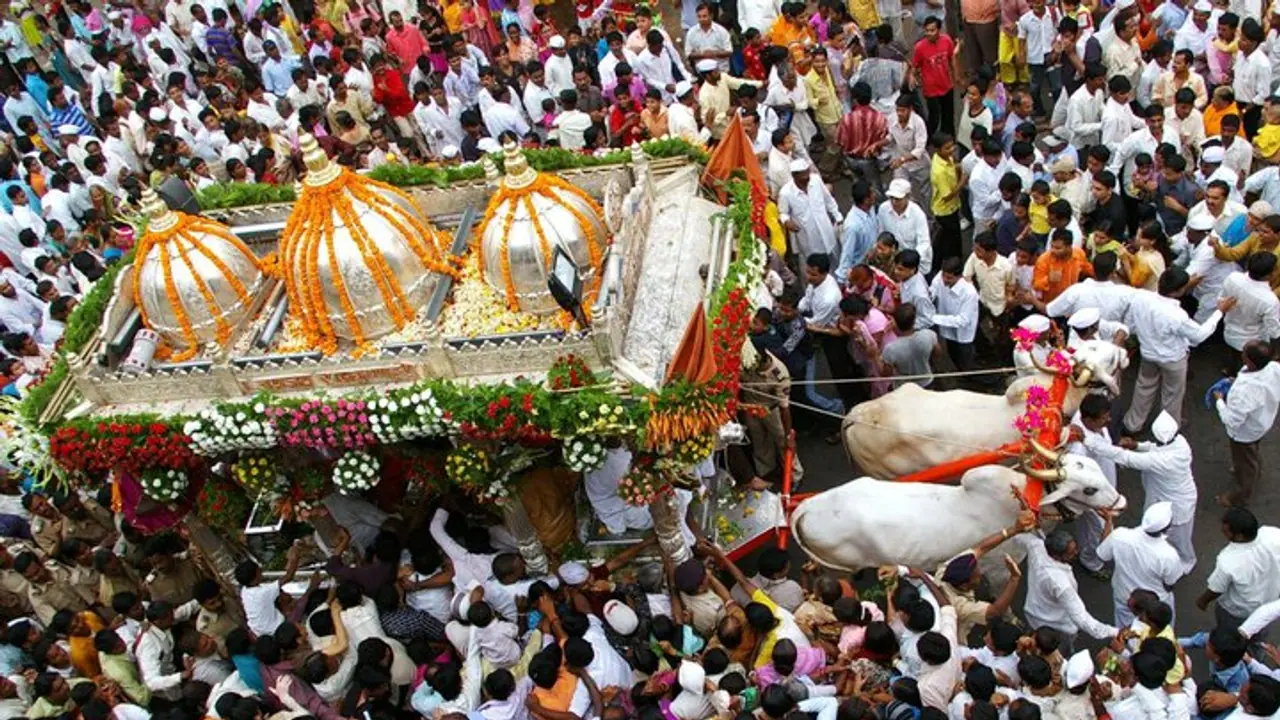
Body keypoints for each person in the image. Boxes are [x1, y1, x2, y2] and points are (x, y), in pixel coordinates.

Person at [1095, 412, 1198, 574]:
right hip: (1162, 496)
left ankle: (1185, 564)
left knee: (1179, 539)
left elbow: (1126, 458)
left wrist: (1091, 443)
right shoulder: (1178, 441)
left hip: (1178, 503)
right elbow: (1154, 447)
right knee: (1159, 533)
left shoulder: (1162, 460)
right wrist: (1137, 446)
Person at [1014, 529, 1118, 654]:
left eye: (1075, 547)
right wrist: (1114, 632)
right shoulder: (1060, 583)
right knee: (1062, 651)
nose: (1076, 552)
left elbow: (1018, 536)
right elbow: (1083, 619)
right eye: (1071, 553)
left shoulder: (1036, 546)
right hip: (1058, 627)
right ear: (1056, 556)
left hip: (1033, 614)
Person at [1197, 507, 1280, 643]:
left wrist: (1202, 601)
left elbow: (1216, 589)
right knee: (1258, 637)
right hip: (1268, 603)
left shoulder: (1228, 560)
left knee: (1230, 639)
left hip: (1238, 611)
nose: (1222, 530)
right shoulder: (1273, 534)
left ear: (1240, 536)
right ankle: (1255, 657)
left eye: (1226, 530)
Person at [1214, 341, 1280, 508]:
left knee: (1246, 463)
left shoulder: (1244, 391)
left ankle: (1239, 496)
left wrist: (1219, 401)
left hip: (1244, 433)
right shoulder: (1273, 367)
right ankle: (1250, 467)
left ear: (1249, 361)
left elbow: (1232, 420)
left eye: (1243, 352)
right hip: (1262, 422)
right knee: (1251, 452)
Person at [1096, 502, 1184, 627]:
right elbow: (1170, 584)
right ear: (1166, 528)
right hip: (1154, 605)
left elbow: (1102, 554)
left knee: (1125, 631)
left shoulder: (1120, 535)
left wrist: (1108, 522)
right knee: (1159, 633)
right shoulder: (1168, 555)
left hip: (1125, 596)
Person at [779, 159, 842, 265]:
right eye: (803, 177)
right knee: (817, 265)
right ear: (795, 176)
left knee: (835, 257)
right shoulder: (786, 193)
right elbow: (783, 213)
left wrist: (838, 216)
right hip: (808, 237)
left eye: (808, 174)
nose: (807, 178)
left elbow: (828, 199)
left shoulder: (816, 180)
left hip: (826, 230)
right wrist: (786, 222)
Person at [929, 257, 980, 375]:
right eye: (944, 276)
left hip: (963, 332)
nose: (945, 280)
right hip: (948, 327)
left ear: (959, 276)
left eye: (949, 278)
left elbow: (963, 320)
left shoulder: (969, 293)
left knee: (966, 361)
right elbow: (933, 290)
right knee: (953, 354)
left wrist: (934, 318)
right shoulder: (940, 278)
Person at [877, 179, 931, 275]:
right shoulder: (883, 209)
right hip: (894, 261)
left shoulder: (918, 214)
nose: (894, 202)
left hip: (915, 264)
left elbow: (924, 243)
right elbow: (881, 233)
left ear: (908, 197)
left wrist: (909, 261)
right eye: (891, 198)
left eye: (898, 199)